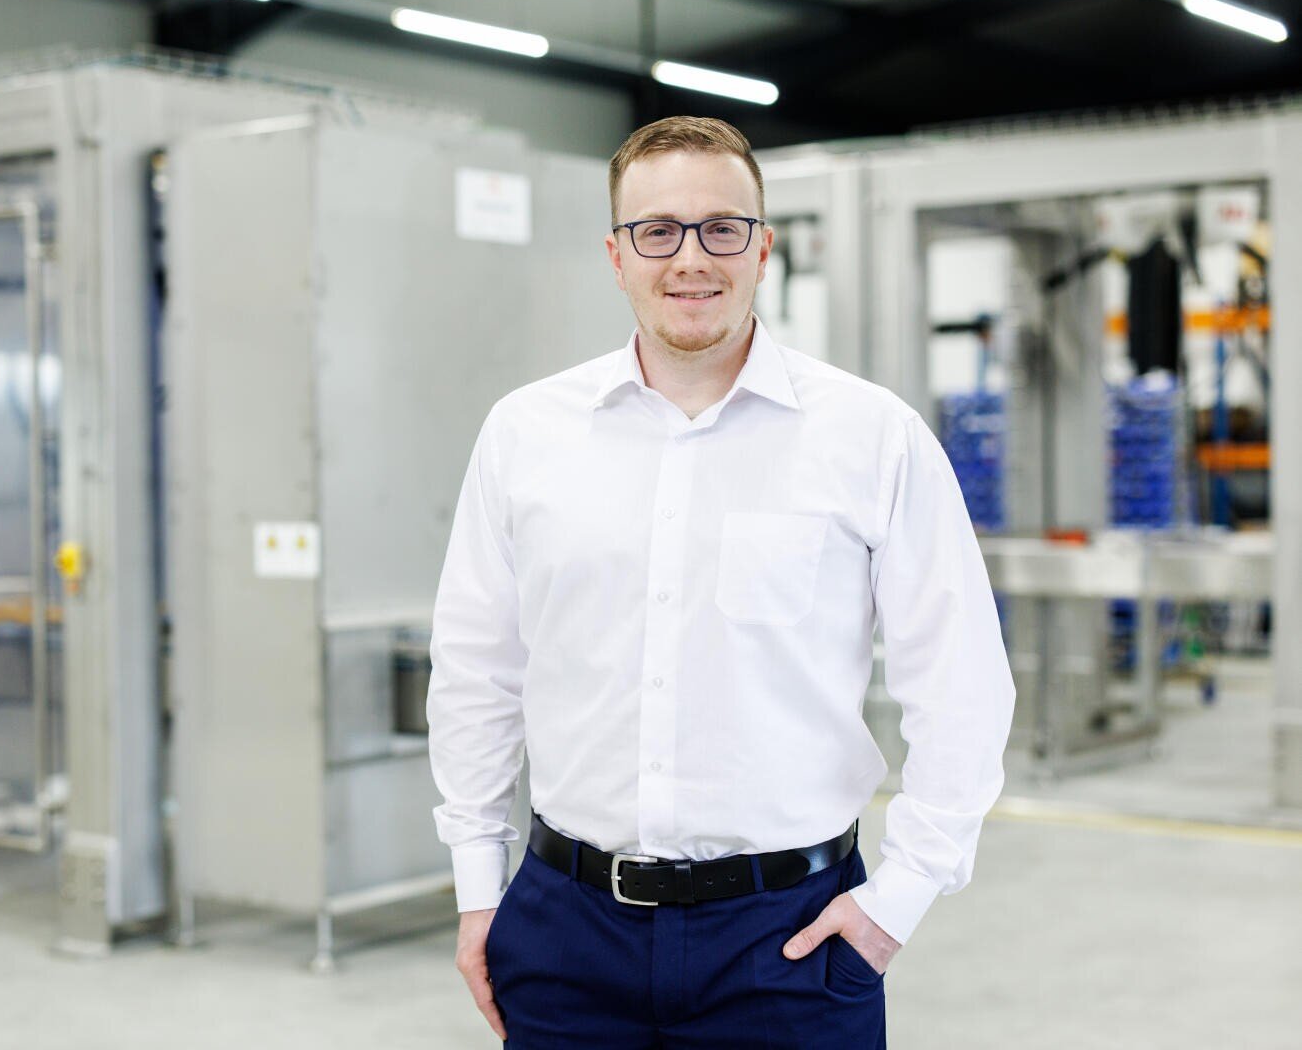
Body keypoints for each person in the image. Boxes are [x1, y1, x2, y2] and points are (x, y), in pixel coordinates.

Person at [426, 115, 1015, 1049]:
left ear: (763, 248)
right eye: (656, 231)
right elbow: (476, 668)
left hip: (787, 944)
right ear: (615, 255)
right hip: (564, 932)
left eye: (720, 228)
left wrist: (897, 898)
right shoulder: (524, 436)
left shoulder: (869, 437)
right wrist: (474, 884)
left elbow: (960, 681)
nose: (689, 258)